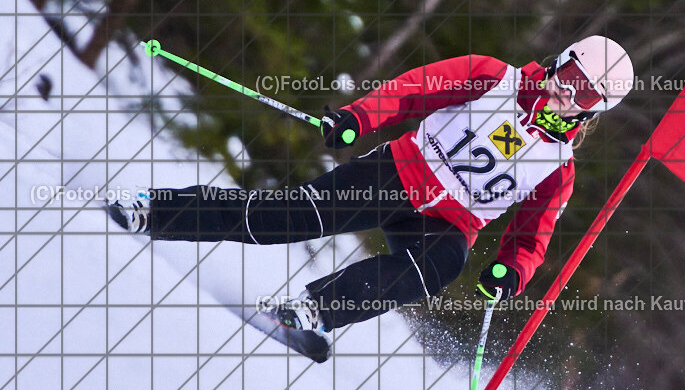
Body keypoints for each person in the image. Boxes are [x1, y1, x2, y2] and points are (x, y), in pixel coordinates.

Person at [107, 36, 634, 357]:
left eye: (584, 94)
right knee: (280, 221)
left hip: (450, 222)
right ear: (559, 62)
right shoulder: (493, 78)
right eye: (570, 78)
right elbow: (415, 88)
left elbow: (532, 237)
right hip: (401, 172)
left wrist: (511, 272)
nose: (567, 94)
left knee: (438, 269)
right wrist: (360, 118)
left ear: (594, 110)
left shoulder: (558, 168)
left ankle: (315, 309)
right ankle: (153, 208)